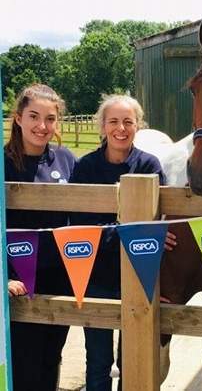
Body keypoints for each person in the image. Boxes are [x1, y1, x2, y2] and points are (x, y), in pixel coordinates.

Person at [69, 94, 166, 391]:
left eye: (128, 121)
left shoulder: (149, 164)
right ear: (102, 125)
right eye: (113, 121)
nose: (120, 128)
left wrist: (107, 232)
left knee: (134, 358)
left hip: (138, 276)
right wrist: (126, 231)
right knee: (97, 360)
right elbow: (76, 226)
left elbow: (161, 221)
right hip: (95, 275)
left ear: (138, 126)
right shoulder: (85, 167)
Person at [5, 83, 76, 390]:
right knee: (24, 363)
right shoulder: (3, 163)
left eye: (50, 118)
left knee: (51, 357)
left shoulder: (66, 160)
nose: (42, 126)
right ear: (18, 118)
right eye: (34, 116)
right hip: (17, 282)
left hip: (61, 277)